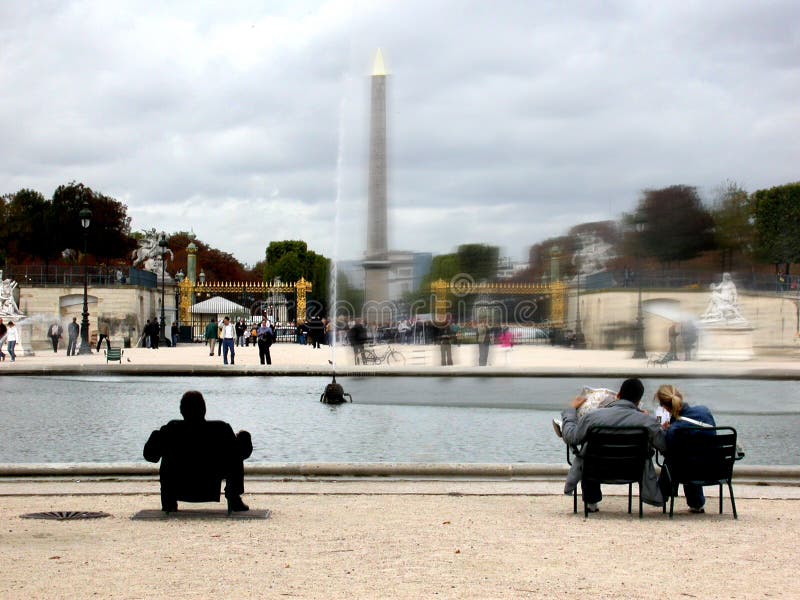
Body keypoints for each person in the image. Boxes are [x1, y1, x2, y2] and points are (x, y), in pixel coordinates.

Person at [560, 378, 666, 512]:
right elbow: (663, 445)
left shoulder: (592, 417)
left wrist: (571, 411)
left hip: (596, 470)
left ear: (618, 395)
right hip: (633, 470)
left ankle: (591, 502)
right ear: (639, 401)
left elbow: (571, 437)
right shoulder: (647, 421)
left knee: (589, 453)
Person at [143, 390, 251, 513]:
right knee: (234, 453)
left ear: (182, 410)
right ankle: (234, 498)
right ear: (204, 409)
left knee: (167, 455)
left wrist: (156, 435)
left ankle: (169, 501)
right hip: (209, 481)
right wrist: (244, 438)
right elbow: (242, 454)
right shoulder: (221, 429)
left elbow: (150, 456)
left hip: (180, 484)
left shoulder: (170, 430)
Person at [655, 384, 716, 513]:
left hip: (686, 471)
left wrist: (665, 432)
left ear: (665, 407)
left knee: (676, 460)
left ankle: (662, 494)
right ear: (680, 396)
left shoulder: (674, 430)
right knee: (692, 455)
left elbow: (668, 452)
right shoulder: (704, 411)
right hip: (714, 469)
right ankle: (696, 503)